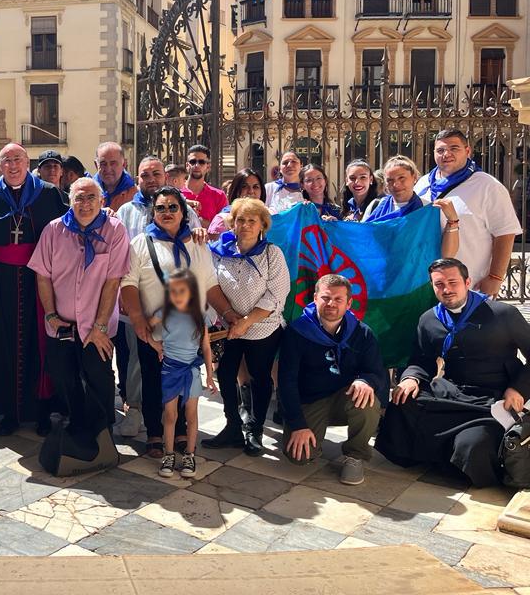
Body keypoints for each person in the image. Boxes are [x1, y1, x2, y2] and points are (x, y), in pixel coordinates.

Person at [376, 258, 530, 486]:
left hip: (494, 397)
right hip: (452, 392)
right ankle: (436, 456)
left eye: (452, 282)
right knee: (401, 404)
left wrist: (518, 388)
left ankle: (450, 457)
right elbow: (422, 360)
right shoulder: (429, 319)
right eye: (439, 284)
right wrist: (411, 378)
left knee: (473, 447)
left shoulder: (503, 314)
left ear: (467, 282)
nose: (446, 289)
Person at [0, 143, 67, 435]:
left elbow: (66, 234)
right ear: (0, 164)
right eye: (6, 160)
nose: (12, 165)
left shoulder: (47, 193)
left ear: (27, 161)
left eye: (17, 159)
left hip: (39, 280)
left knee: (40, 344)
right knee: (1, 344)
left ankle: (42, 411)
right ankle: (9, 411)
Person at [121, 188, 231, 459]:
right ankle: (155, 433)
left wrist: (229, 314)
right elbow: (129, 284)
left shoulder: (197, 244)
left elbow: (210, 284)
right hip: (153, 330)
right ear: (153, 212)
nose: (167, 212)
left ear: (183, 212)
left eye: (173, 207)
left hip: (189, 332)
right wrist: (138, 320)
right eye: (161, 208)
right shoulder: (140, 243)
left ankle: (181, 430)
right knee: (152, 380)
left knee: (185, 381)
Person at [29, 177, 131, 443]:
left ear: (101, 201)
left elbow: (112, 281)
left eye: (90, 198)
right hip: (61, 323)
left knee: (98, 377)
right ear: (70, 201)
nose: (85, 204)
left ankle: (102, 432)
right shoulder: (53, 230)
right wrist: (50, 315)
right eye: (79, 198)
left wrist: (99, 327)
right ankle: (77, 422)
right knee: (62, 375)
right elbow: (43, 276)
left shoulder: (115, 231)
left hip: (96, 326)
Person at [114, 157, 202, 439]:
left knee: (177, 365)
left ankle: (176, 428)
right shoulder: (125, 211)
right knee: (137, 362)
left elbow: (198, 244)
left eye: (156, 173)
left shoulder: (185, 208)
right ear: (136, 178)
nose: (150, 178)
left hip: (179, 310)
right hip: (138, 304)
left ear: (165, 176)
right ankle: (137, 412)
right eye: (144, 175)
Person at [279, 274, 388, 486]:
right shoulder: (297, 331)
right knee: (300, 457)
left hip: (344, 398)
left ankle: (355, 455)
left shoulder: (362, 333)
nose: (331, 304)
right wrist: (298, 424)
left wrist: (366, 381)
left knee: (368, 399)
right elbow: (287, 381)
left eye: (338, 299)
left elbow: (376, 372)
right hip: (310, 400)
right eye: (326, 298)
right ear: (315, 298)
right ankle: (310, 434)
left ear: (349, 303)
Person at [204, 198, 290, 456]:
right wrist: (231, 317)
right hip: (228, 325)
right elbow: (210, 284)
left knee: (259, 376)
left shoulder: (272, 254)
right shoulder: (219, 251)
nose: (246, 225)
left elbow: (276, 295)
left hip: (263, 328)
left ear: (262, 224)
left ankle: (255, 428)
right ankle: (232, 425)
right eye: (241, 219)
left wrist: (246, 322)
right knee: (226, 374)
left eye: (252, 220)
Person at [415, 129, 522, 297]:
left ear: (468, 151)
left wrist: (495, 277)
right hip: (427, 285)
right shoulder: (423, 184)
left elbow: (505, 233)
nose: (446, 154)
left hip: (471, 285)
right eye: (440, 150)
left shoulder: (488, 186)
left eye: (454, 148)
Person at [148, 268, 216, 479]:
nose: (177, 295)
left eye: (182, 291)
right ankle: (168, 455)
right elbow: (143, 327)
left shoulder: (199, 317)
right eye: (173, 291)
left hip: (192, 371)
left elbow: (206, 347)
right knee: (169, 415)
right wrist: (155, 345)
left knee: (191, 416)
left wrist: (210, 375)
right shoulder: (163, 313)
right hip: (170, 370)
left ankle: (189, 454)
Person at [363, 156, 462, 256]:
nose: (396, 184)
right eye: (390, 180)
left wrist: (452, 220)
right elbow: (361, 241)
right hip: (382, 270)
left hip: (417, 270)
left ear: (414, 178)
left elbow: (448, 255)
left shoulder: (429, 209)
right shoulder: (375, 206)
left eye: (401, 178)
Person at [208, 168, 266, 239]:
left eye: (255, 187)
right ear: (236, 190)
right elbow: (213, 248)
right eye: (244, 186)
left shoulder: (266, 218)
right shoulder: (222, 220)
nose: (251, 191)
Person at [181, 145, 229, 227]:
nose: (197, 165)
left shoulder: (219, 196)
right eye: (193, 162)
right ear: (187, 166)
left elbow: (225, 227)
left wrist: (201, 222)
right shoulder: (176, 193)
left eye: (201, 162)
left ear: (208, 167)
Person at [94, 142, 137, 211]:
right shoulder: (88, 193)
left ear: (124, 164)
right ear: (96, 165)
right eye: (103, 164)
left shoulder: (135, 196)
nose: (108, 169)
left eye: (113, 163)